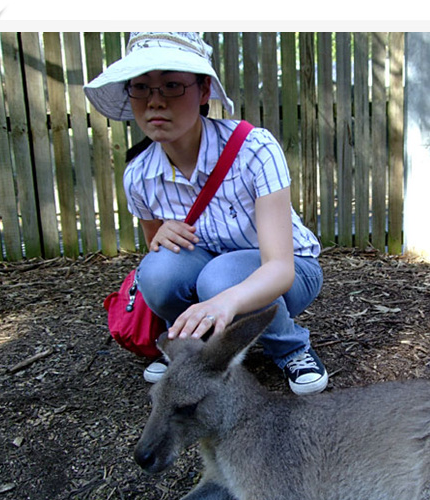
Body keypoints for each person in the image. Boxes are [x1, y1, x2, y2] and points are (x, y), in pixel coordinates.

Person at [85, 32, 327, 395]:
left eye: (171, 85)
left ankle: (291, 348)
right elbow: (160, 261)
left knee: (220, 276)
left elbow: (280, 266)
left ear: (203, 92)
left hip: (290, 273)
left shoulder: (254, 149)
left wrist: (224, 301)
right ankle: (185, 345)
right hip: (212, 281)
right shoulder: (139, 174)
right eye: (141, 87)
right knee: (158, 269)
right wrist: (163, 234)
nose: (155, 102)